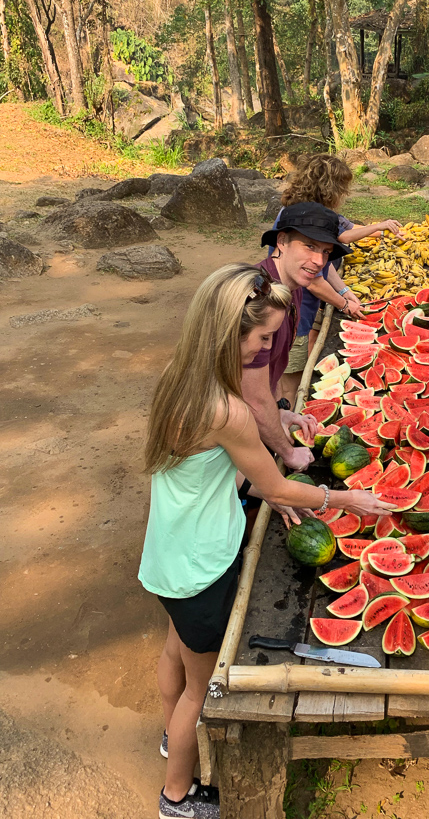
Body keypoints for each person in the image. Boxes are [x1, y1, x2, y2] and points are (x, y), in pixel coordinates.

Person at [139, 263, 390, 819]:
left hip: (167, 557)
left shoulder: (182, 379)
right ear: (231, 332)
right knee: (199, 692)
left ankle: (166, 736)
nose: (266, 348)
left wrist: (264, 474)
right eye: (261, 338)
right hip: (203, 565)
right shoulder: (225, 409)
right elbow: (276, 484)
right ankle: (177, 796)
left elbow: (218, 472)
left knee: (175, 651)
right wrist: (346, 501)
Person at [275, 154, 403, 404]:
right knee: (288, 385)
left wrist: (343, 291)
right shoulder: (304, 220)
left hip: (298, 310)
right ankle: (283, 431)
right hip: (291, 311)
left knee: (288, 372)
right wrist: (344, 304)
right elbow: (311, 279)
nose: (344, 194)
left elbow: (321, 267)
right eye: (343, 188)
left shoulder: (305, 213)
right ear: (330, 187)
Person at [242, 201, 352, 473]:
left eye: (326, 252)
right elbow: (254, 399)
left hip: (249, 420)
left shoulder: (293, 288)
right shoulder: (260, 300)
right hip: (226, 429)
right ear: (282, 241)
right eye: (309, 246)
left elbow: (274, 366)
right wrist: (288, 452)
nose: (319, 261)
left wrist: (280, 408)